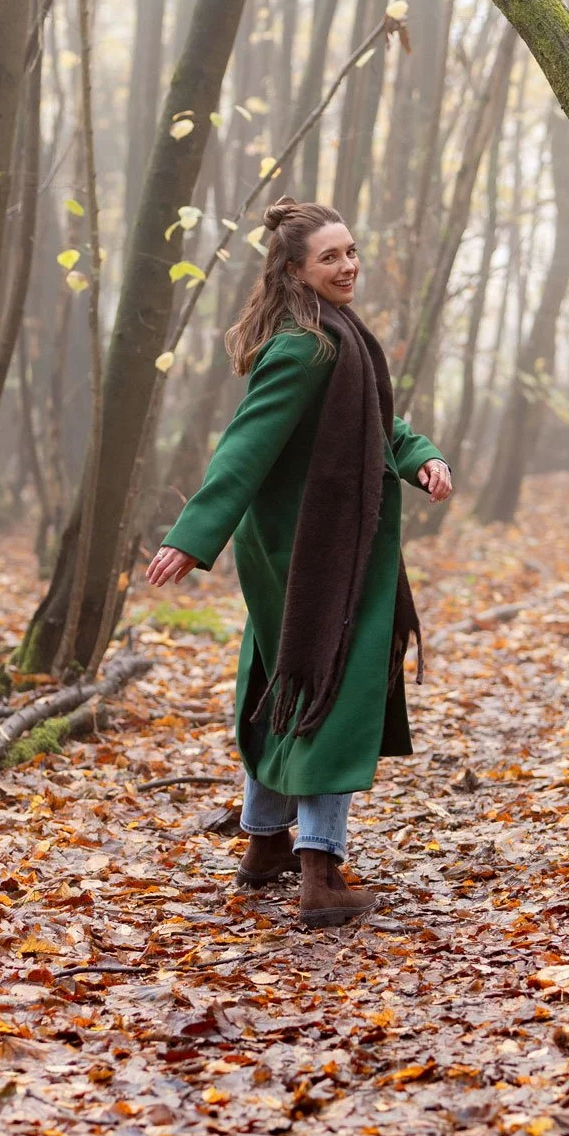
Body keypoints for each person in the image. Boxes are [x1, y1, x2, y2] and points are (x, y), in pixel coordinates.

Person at [145, 198, 452, 928]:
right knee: (331, 686)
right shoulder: (304, 346)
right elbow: (246, 444)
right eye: (330, 258)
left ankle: (264, 845)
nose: (348, 266)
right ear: (293, 271)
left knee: (285, 678)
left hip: (321, 542)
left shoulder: (333, 332)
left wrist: (422, 458)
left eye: (351, 251)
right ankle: (320, 871)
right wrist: (193, 533)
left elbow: (380, 421)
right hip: (311, 550)